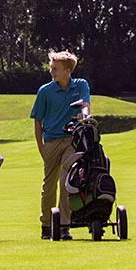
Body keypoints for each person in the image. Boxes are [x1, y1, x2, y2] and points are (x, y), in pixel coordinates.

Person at [30, 51, 90, 240]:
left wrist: (85, 115)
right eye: (51, 68)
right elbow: (37, 120)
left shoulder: (80, 85)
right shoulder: (45, 91)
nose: (51, 71)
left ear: (67, 70)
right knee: (49, 185)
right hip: (50, 142)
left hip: (71, 141)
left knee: (67, 181)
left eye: (55, 69)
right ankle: (47, 226)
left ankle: (64, 226)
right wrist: (41, 147)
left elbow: (86, 105)